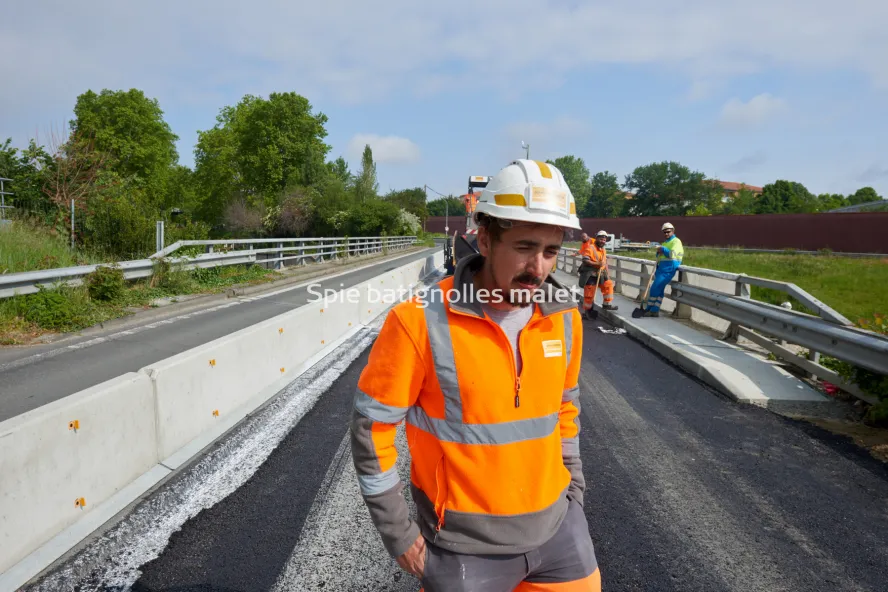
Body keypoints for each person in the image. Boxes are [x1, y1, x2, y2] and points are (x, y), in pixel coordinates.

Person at [350, 159, 601, 592]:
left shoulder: (563, 318)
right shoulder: (419, 322)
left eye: (551, 251)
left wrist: (574, 490)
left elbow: (565, 409)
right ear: (485, 238)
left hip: (560, 533)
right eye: (524, 247)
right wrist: (401, 537)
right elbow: (372, 431)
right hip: (463, 548)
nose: (538, 268)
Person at [642, 222, 684, 317]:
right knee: (659, 290)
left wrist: (663, 250)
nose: (666, 234)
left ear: (673, 231)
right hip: (661, 268)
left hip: (669, 269)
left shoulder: (676, 241)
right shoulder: (665, 242)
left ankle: (650, 309)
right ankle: (655, 310)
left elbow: (672, 254)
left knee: (654, 288)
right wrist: (659, 253)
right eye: (664, 232)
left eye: (668, 232)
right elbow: (662, 256)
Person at [577, 230, 617, 318]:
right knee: (589, 293)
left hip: (601, 273)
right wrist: (597, 264)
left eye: (604, 240)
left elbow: (604, 262)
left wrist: (607, 274)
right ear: (597, 238)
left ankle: (607, 304)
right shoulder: (590, 248)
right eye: (601, 239)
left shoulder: (603, 249)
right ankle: (588, 311)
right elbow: (585, 260)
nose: (602, 241)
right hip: (590, 274)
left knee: (608, 284)